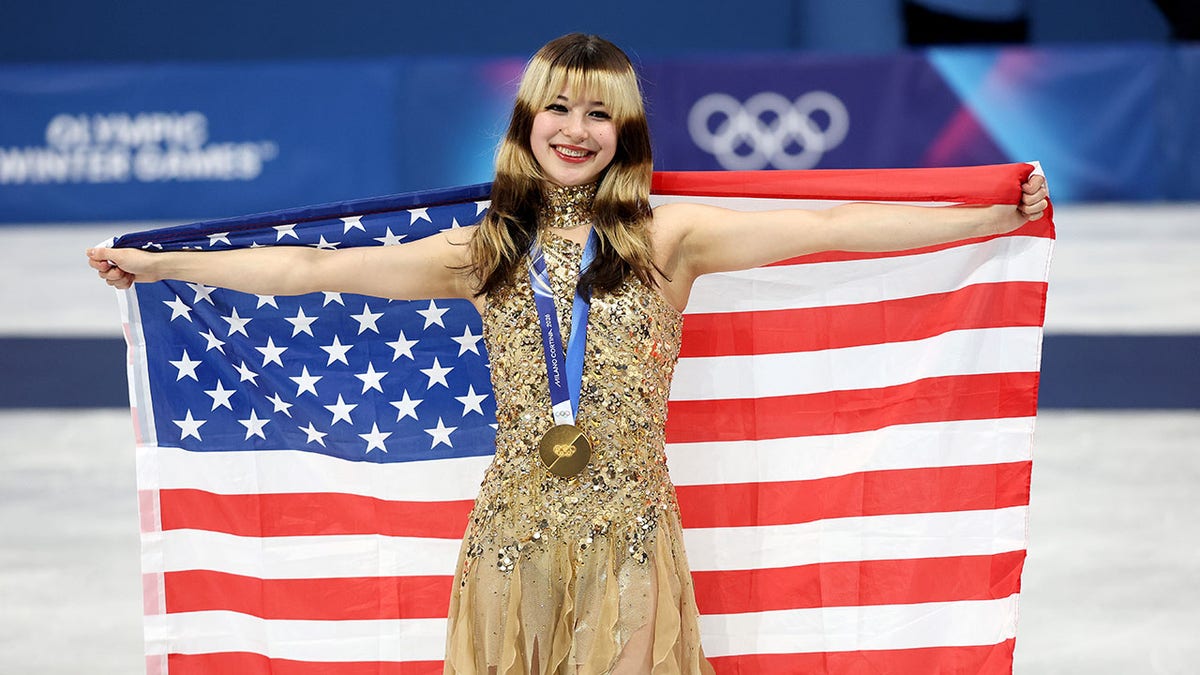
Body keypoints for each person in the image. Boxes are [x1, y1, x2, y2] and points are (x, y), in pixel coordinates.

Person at [88, 33, 1048, 675]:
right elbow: (315, 271)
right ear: (527, 123)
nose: (576, 130)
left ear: (624, 128)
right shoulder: (482, 250)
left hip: (632, 534)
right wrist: (160, 259)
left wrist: (994, 208)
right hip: (511, 533)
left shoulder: (670, 239)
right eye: (559, 109)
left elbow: (834, 226)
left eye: (599, 113)